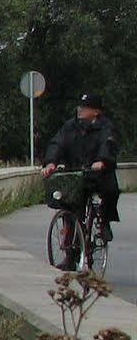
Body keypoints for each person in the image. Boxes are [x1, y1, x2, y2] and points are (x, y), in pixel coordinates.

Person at [41, 92, 119, 241]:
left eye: (85, 107)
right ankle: (71, 252)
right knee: (68, 203)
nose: (80, 109)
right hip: (76, 173)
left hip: (97, 174)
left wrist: (102, 161)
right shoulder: (70, 126)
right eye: (80, 106)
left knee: (111, 191)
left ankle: (105, 222)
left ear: (96, 111)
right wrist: (51, 162)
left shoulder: (105, 126)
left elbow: (108, 143)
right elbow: (57, 143)